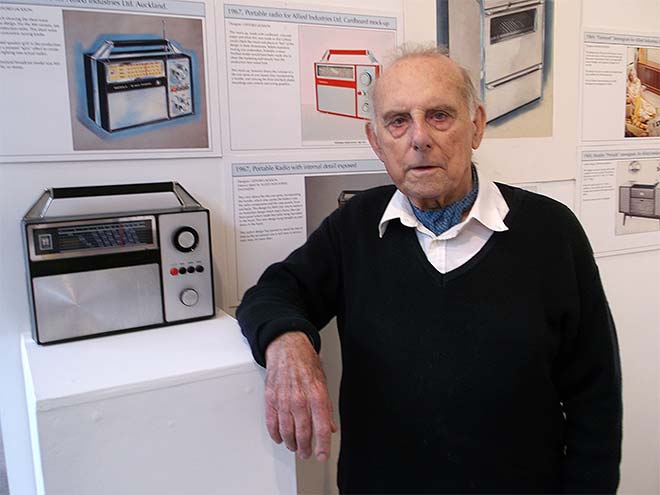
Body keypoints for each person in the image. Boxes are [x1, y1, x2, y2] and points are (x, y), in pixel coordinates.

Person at [237, 45, 622, 494]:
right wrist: (288, 341)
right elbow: (273, 292)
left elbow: (595, 398)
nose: (418, 138)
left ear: (476, 125)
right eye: (398, 121)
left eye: (439, 115)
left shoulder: (551, 232)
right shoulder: (354, 228)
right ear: (376, 140)